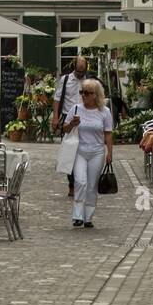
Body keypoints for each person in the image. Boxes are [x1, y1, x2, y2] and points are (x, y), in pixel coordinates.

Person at [63, 79, 113, 228]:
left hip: (97, 152)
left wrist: (109, 152)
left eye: (87, 93)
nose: (84, 95)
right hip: (80, 151)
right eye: (82, 92)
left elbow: (108, 133)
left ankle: (88, 217)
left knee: (92, 185)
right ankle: (77, 215)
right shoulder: (76, 109)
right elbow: (64, 128)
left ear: (96, 95)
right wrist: (72, 124)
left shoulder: (105, 112)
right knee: (80, 181)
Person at [53, 55, 102, 197]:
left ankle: (82, 182)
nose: (81, 73)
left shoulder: (89, 81)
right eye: (79, 71)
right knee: (70, 152)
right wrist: (55, 117)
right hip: (69, 119)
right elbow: (57, 98)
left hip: (85, 118)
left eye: (83, 70)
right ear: (74, 67)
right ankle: (72, 184)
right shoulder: (66, 80)